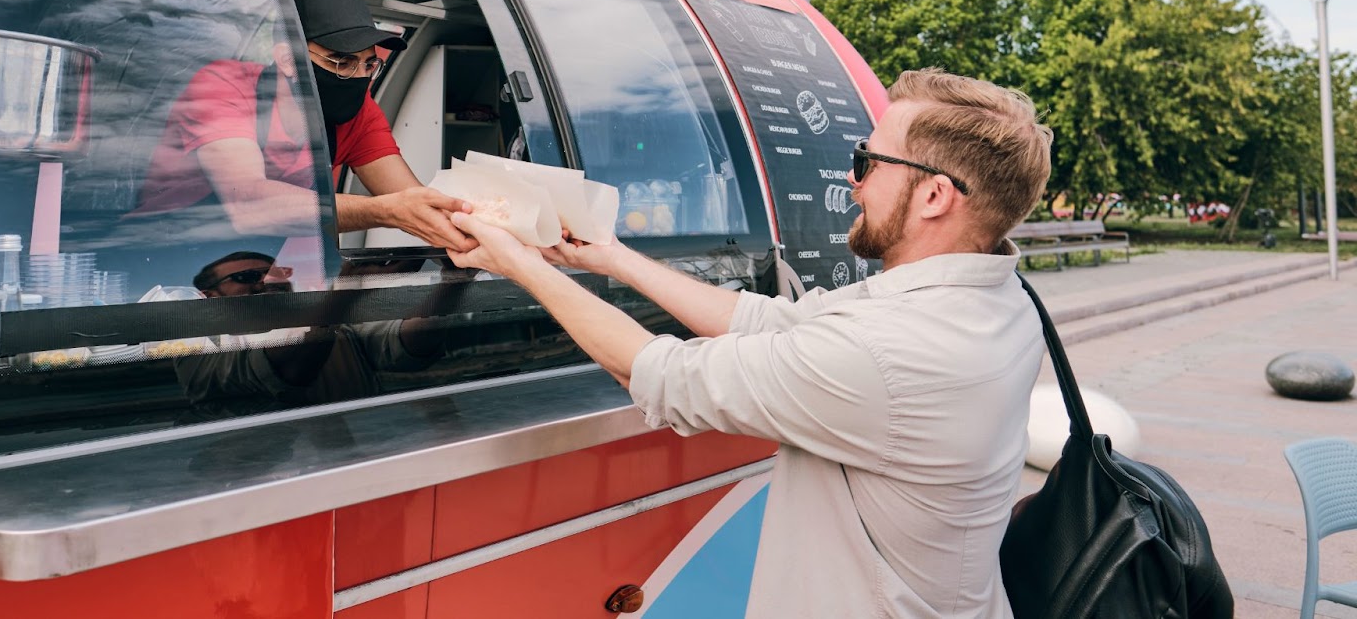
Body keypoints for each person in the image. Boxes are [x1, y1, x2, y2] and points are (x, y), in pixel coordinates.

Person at [447, 69, 1053, 619]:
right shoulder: (998, 298)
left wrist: (520, 264)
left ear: (934, 195)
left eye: (868, 160)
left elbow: (657, 372)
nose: (852, 178)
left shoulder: (890, 352)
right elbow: (769, 321)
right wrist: (612, 259)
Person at [133, 0, 472, 251]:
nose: (358, 77)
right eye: (341, 62)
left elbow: (410, 200)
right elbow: (249, 206)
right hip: (159, 254)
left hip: (255, 267)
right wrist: (383, 212)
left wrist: (477, 225)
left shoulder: (359, 113)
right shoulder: (224, 86)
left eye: (369, 64)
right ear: (287, 60)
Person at [176, 251, 446, 411]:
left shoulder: (335, 323)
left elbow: (405, 342)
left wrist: (454, 279)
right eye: (247, 277)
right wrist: (346, 292)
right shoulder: (198, 350)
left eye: (277, 273)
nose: (267, 281)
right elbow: (290, 369)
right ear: (209, 296)